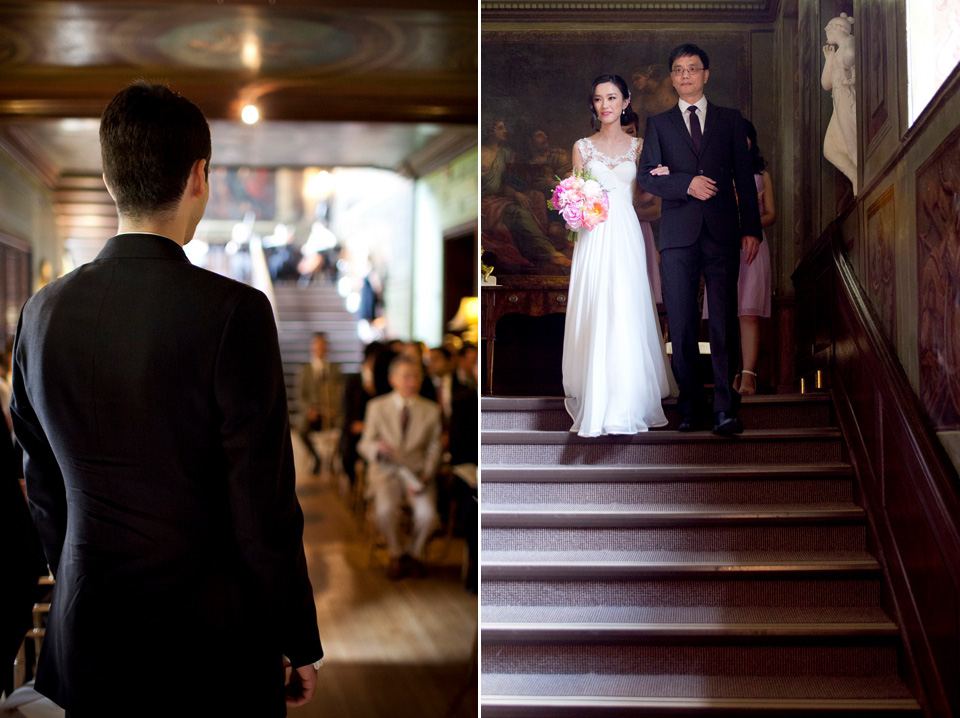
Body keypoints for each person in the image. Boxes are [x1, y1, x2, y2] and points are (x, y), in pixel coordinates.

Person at [10, 81, 322, 716]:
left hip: (89, 629)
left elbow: (40, 483)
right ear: (199, 176)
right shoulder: (234, 312)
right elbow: (261, 499)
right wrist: (296, 636)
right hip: (211, 637)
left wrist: (79, 573)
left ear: (107, 176)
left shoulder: (40, 313)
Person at [639, 44, 762, 435]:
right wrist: (686, 183)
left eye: (693, 69)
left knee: (724, 321)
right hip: (677, 235)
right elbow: (646, 177)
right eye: (678, 70)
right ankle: (691, 407)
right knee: (682, 322)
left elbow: (744, 178)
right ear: (671, 77)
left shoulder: (730, 120)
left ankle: (727, 409)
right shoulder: (658, 124)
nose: (686, 76)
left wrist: (751, 229)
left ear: (706, 74)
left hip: (723, 232)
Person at [561, 74, 674, 437]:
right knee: (597, 306)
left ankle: (627, 400)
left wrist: (659, 178)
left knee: (624, 307)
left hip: (625, 231)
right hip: (593, 235)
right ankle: (596, 395)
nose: (605, 105)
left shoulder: (640, 147)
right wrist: (574, 206)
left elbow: (644, 197)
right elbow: (574, 193)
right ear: (593, 105)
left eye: (612, 98)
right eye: (598, 99)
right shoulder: (582, 147)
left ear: (625, 102)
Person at [704, 120, 775, 395]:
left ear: (750, 141)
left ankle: (748, 375)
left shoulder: (761, 175)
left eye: (743, 137)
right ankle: (729, 374)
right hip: (722, 247)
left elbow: (771, 214)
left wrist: (747, 221)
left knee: (748, 313)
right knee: (724, 314)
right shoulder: (718, 174)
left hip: (752, 248)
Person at [358, 355, 442, 580]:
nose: (411, 382)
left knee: (428, 515)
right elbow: (364, 444)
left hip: (418, 475)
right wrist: (377, 447)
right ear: (393, 379)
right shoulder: (376, 407)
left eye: (416, 376)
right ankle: (396, 553)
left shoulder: (432, 410)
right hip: (386, 473)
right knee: (384, 510)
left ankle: (413, 555)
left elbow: (435, 449)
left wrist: (426, 475)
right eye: (406, 376)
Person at [296, 332, 344, 476]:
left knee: (344, 428)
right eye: (317, 346)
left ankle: (333, 459)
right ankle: (316, 456)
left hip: (333, 412)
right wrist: (309, 410)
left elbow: (341, 392)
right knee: (301, 429)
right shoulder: (305, 370)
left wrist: (335, 409)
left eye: (323, 346)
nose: (320, 349)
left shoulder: (335, 369)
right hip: (314, 413)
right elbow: (300, 396)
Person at [821, 13, 857, 193]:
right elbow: (825, 84)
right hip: (838, 100)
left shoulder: (850, 41)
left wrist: (844, 65)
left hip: (846, 98)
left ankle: (862, 178)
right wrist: (829, 60)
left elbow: (851, 54)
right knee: (830, 148)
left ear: (837, 28)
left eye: (828, 28)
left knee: (851, 140)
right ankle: (856, 176)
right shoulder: (837, 51)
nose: (826, 31)